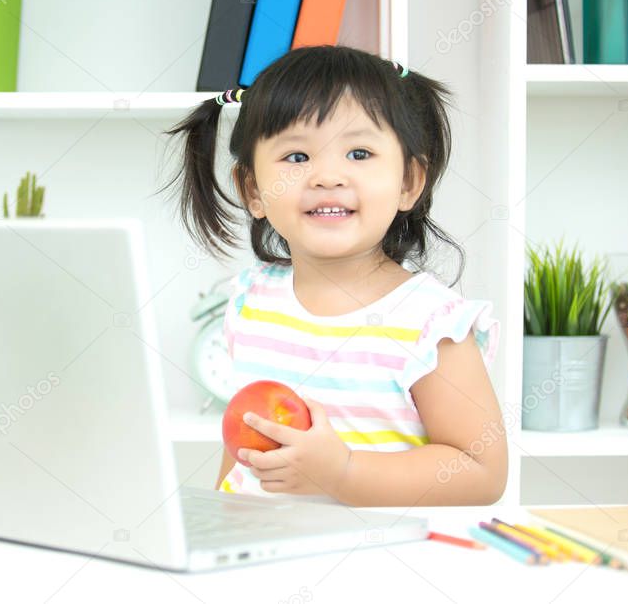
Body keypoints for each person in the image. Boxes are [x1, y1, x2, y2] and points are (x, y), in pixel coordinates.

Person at [158, 45, 506, 507]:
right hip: (261, 555)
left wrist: (341, 472)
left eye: (359, 152)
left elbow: (481, 471)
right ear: (253, 190)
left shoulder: (430, 322)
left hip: (376, 563)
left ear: (408, 183)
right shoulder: (251, 302)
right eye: (297, 157)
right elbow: (244, 445)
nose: (326, 175)